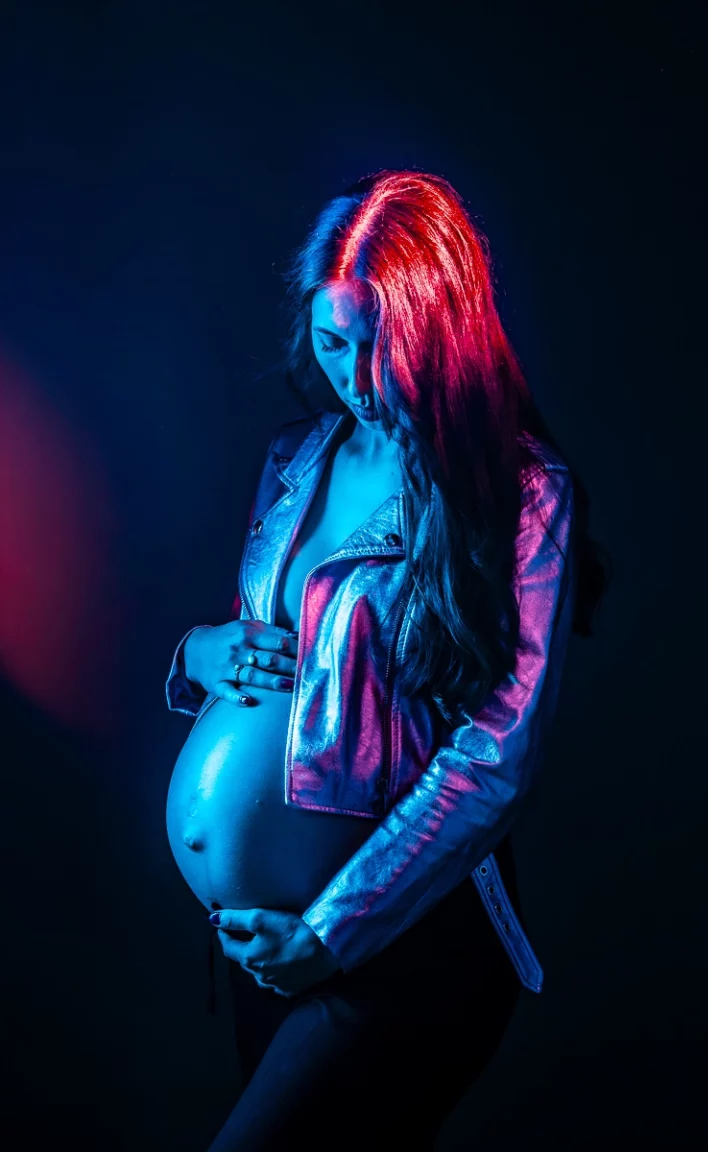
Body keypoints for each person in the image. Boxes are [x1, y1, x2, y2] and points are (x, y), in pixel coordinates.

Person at [164, 169, 611, 1150]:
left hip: (398, 939)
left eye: (383, 347)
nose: (356, 379)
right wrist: (195, 653)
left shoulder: (523, 494)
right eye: (332, 343)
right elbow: (267, 654)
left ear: (441, 328)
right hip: (264, 943)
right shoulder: (297, 460)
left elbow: (496, 756)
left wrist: (329, 934)